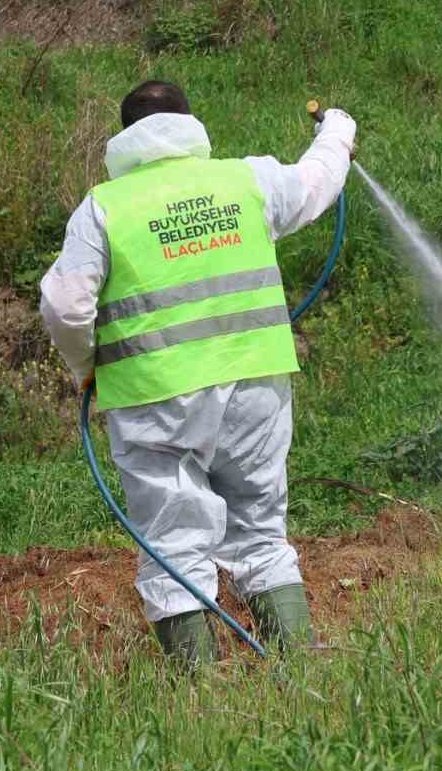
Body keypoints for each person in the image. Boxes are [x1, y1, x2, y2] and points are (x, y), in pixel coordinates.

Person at [39, 80, 357, 663]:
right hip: (256, 384)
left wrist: (89, 368)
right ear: (189, 124)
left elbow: (64, 306)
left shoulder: (105, 207)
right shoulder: (246, 179)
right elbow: (318, 181)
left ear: (125, 135)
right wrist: (337, 128)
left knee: (172, 541)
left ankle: (199, 696)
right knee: (261, 530)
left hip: (155, 397)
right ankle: (302, 675)